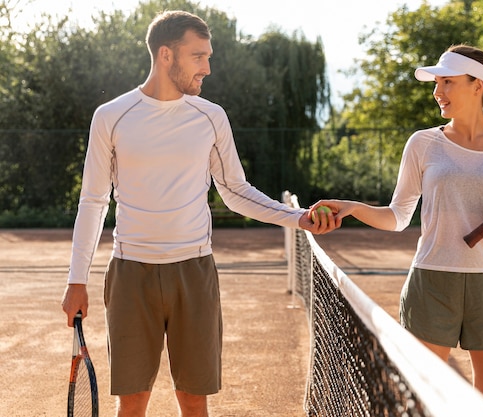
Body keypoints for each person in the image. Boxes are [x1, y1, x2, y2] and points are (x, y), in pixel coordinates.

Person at [61, 10, 335, 417]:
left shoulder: (211, 117)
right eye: (199, 56)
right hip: (130, 273)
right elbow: (93, 202)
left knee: (194, 401)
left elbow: (236, 192)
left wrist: (297, 218)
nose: (207, 67)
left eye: (208, 56)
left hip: (194, 271)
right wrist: (76, 281)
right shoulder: (111, 117)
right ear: (166, 55)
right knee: (132, 402)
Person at [314, 44, 483, 413]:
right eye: (436, 83)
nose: (437, 92)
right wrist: (352, 207)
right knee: (422, 397)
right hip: (431, 283)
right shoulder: (422, 143)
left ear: (477, 85)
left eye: (447, 82)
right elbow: (398, 216)